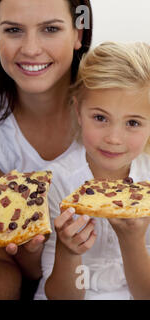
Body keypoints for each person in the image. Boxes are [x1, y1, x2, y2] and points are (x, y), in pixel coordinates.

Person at [0, 0, 93, 297]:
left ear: (78, 33)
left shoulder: (119, 118)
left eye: (50, 29)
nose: (31, 48)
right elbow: (25, 271)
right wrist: (29, 252)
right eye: (13, 30)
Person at [35, 41, 150, 300]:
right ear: (78, 111)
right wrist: (69, 252)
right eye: (100, 118)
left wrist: (132, 242)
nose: (113, 138)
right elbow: (61, 296)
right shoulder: (56, 183)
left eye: (133, 122)